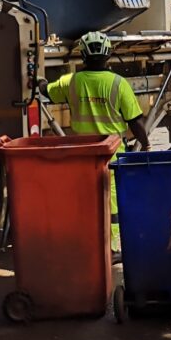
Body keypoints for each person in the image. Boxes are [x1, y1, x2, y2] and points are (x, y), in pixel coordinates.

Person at [40, 31, 150, 255]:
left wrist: (39, 79)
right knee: (112, 203)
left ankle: (86, 244)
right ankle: (112, 248)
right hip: (112, 155)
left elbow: (47, 92)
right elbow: (135, 121)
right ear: (108, 54)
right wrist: (146, 144)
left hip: (82, 154)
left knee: (84, 200)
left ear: (83, 55)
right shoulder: (118, 84)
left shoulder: (71, 82)